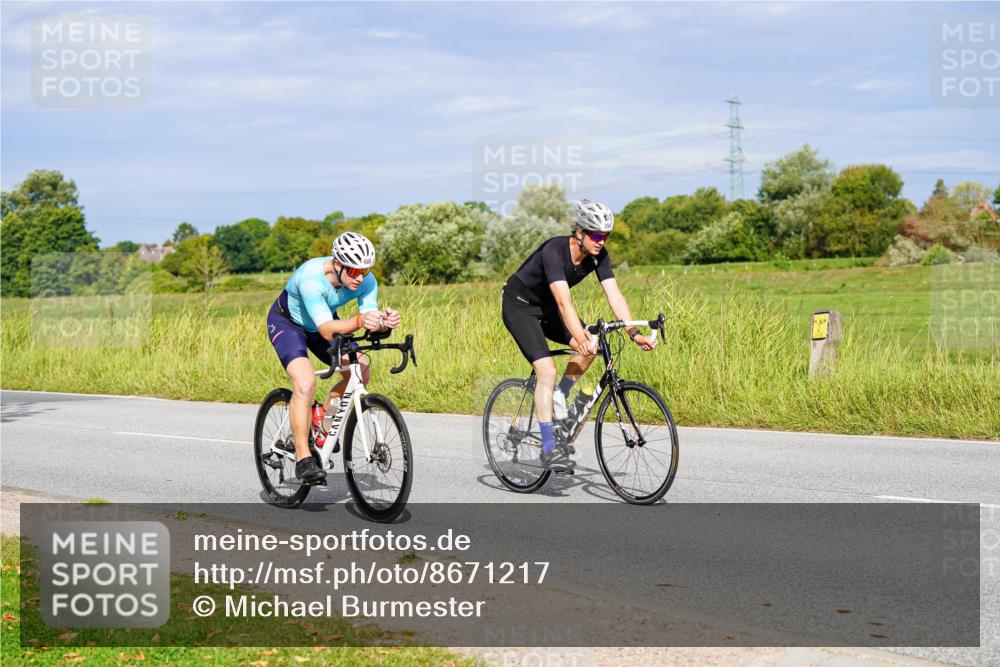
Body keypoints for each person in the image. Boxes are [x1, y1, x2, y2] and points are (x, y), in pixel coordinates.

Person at [501, 199, 658, 472]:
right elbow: (565, 303)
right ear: (579, 232)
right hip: (520, 306)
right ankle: (548, 448)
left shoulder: (599, 255)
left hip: (548, 308)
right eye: (596, 235)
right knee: (546, 372)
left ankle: (560, 396)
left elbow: (615, 296)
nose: (601, 241)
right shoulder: (554, 251)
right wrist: (580, 338)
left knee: (595, 348)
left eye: (606, 236)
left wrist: (634, 333)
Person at [266, 231, 400, 485]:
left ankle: (324, 429)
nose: (360, 278)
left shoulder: (367, 281)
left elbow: (368, 320)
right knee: (305, 382)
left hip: (324, 322)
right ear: (337, 264)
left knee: (360, 369)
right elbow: (327, 330)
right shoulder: (311, 279)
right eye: (353, 271)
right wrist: (360, 321)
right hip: (289, 324)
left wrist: (384, 323)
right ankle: (303, 460)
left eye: (365, 270)